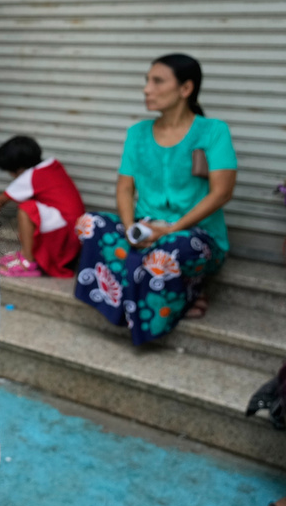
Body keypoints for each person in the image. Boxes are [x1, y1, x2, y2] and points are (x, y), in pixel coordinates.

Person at [74, 54, 236, 346]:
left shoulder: (213, 132)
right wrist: (130, 229)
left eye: (157, 81)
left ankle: (162, 296)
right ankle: (160, 294)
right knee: (89, 224)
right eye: (147, 81)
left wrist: (172, 229)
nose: (147, 89)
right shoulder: (137, 134)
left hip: (193, 235)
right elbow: (124, 188)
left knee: (169, 252)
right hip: (145, 229)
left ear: (186, 89)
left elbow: (222, 192)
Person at [0, 136, 85, 278]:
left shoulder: (31, 176)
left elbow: (0, 201)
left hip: (67, 230)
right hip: (74, 226)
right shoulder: (51, 167)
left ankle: (28, 262)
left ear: (19, 169)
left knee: (27, 210)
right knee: (32, 209)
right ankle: (25, 255)